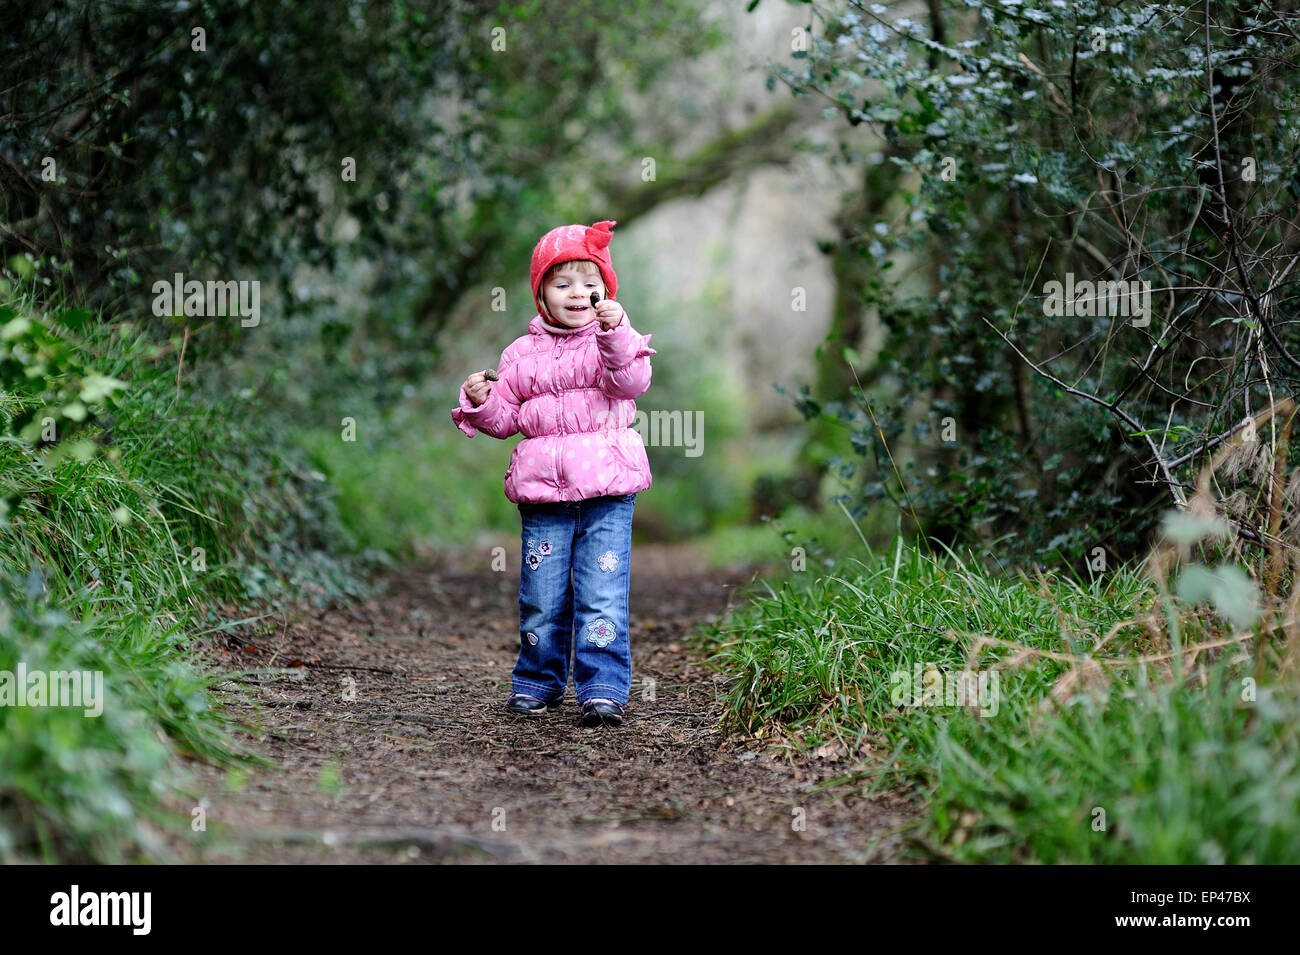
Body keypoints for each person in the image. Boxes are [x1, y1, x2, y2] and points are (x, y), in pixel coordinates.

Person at [450, 220, 656, 727]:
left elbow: (632, 382)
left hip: (607, 492)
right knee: (541, 596)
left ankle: (602, 688)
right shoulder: (520, 355)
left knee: (600, 594)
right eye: (562, 283)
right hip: (544, 495)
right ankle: (538, 683)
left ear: (606, 291)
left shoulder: (612, 344)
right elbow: (505, 421)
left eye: (590, 284)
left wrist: (617, 332)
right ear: (541, 293)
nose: (578, 293)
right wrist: (480, 403)